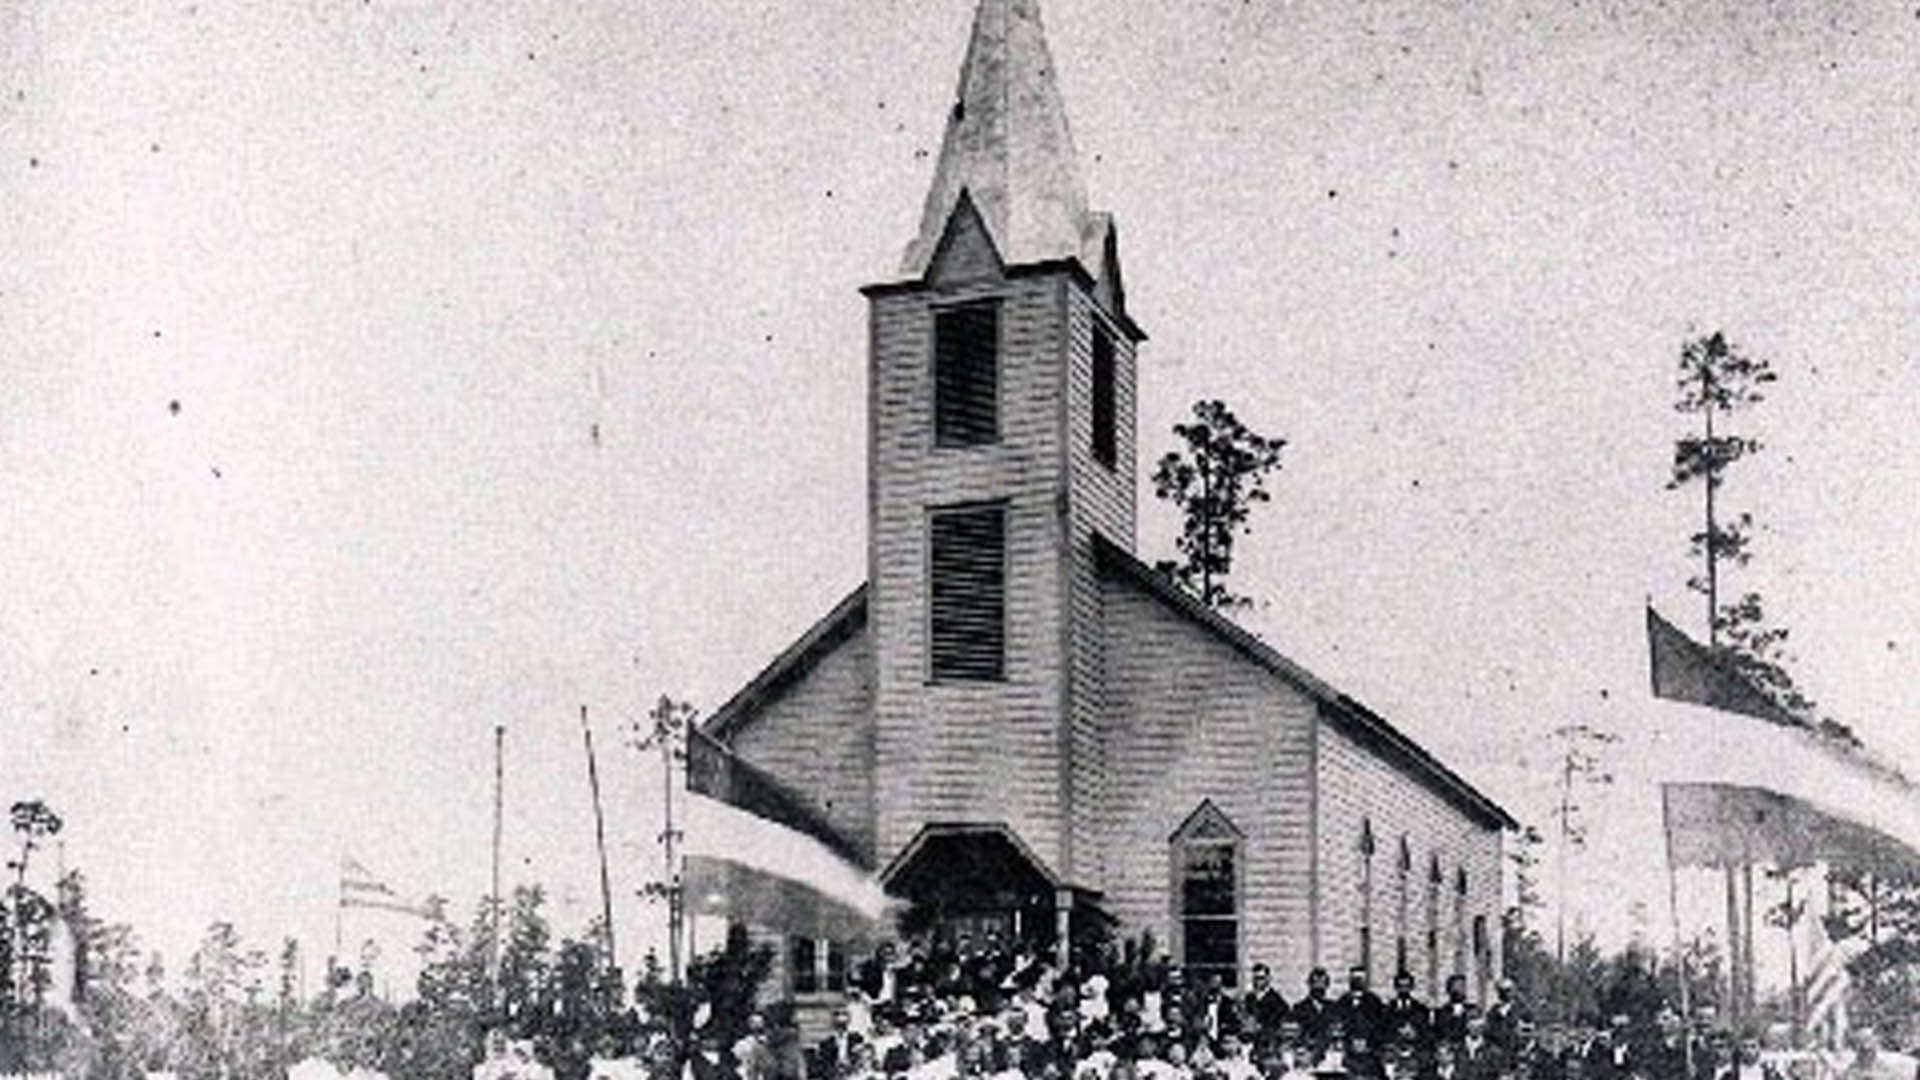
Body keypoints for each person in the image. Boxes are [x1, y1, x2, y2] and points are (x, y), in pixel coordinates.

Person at [1291, 969, 1336, 1058]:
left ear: (1327, 985)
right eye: (1316, 983)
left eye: (1322, 983)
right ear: (1309, 984)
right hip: (1307, 1053)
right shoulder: (1299, 1008)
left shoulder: (1333, 1007)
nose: (1319, 986)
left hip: (1328, 1053)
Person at [1383, 972, 1430, 1053]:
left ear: (1412, 987)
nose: (1404, 990)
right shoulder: (1387, 1010)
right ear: (1395, 987)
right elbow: (1383, 1031)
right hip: (1394, 1050)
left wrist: (1414, 1034)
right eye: (1400, 986)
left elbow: (1426, 1033)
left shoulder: (1421, 1010)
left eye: (1407, 986)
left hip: (1416, 1050)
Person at [1245, 965, 1290, 1048]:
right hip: (1251, 1040)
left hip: (1269, 1042)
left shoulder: (1277, 1001)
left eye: (1261, 978)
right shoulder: (1249, 998)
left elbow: (1280, 1022)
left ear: (1268, 979)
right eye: (1255, 978)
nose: (1257, 982)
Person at [1431, 977, 1473, 1047]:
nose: (1460, 990)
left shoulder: (1473, 1010)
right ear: (1448, 989)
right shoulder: (1440, 1013)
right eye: (1456, 987)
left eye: (1462, 986)